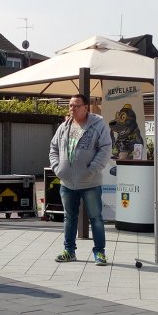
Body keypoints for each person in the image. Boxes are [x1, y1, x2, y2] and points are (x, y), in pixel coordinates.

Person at [49, 94, 112, 265]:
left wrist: (92, 170)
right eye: (70, 105)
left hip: (90, 182)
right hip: (67, 182)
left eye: (76, 105)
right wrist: (57, 168)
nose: (72, 109)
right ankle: (69, 251)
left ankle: (99, 252)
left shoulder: (98, 125)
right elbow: (53, 148)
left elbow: (106, 149)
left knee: (96, 218)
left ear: (86, 107)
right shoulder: (63, 127)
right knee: (69, 218)